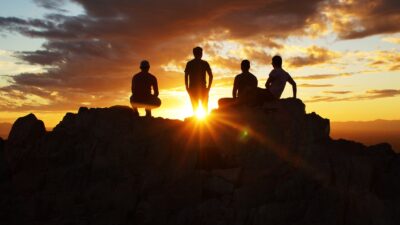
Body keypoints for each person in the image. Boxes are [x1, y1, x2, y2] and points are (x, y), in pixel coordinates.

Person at [184, 47, 213, 114]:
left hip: (193, 88)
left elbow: (186, 76)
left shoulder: (190, 63)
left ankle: (197, 123)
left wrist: (187, 87)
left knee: (195, 108)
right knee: (204, 108)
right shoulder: (204, 63)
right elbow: (211, 76)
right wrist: (208, 87)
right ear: (201, 53)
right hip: (202, 88)